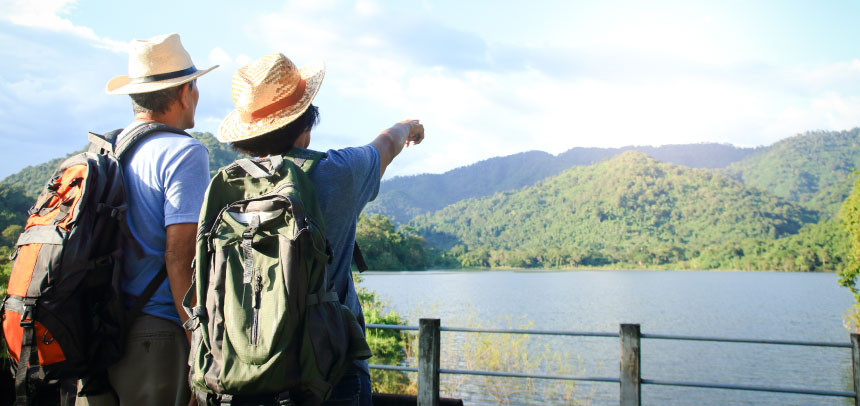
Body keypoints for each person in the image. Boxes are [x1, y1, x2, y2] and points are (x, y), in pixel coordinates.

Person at [216, 52, 424, 405]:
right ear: (306, 125)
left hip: (244, 369)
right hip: (329, 371)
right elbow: (386, 145)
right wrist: (409, 126)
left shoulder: (226, 188)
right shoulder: (338, 173)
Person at [77, 33, 217, 406]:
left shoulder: (105, 151)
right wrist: (198, 344)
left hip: (95, 334)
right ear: (185, 91)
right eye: (196, 86)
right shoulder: (184, 152)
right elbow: (180, 256)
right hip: (154, 335)